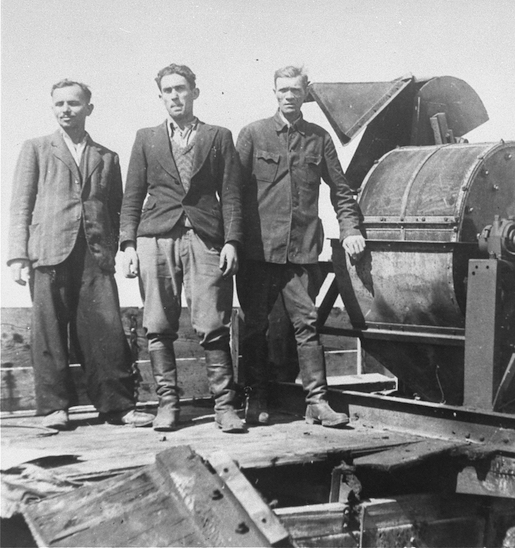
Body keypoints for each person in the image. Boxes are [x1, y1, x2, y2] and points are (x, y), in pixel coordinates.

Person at [6, 79, 154, 430]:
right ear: (52, 107)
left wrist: (120, 248)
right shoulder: (36, 148)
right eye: (59, 104)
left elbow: (118, 209)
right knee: (49, 331)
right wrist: (17, 255)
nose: (66, 110)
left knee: (105, 329)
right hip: (48, 253)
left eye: (73, 103)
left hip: (94, 253)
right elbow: (21, 205)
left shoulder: (107, 157)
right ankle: (55, 408)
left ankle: (116, 405)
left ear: (89, 108)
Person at [236, 65, 366, 428]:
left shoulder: (319, 139)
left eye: (295, 90)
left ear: (306, 93)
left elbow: (341, 190)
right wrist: (232, 243)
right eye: (282, 90)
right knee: (254, 327)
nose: (289, 96)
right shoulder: (253, 135)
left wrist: (351, 228)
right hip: (257, 254)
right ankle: (255, 398)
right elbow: (232, 193)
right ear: (274, 92)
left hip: (301, 252)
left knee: (307, 324)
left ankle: (318, 402)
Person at [120, 64, 245, 433]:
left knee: (212, 323)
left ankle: (225, 407)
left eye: (181, 89)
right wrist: (128, 244)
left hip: (205, 238)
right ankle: (167, 405)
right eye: (168, 91)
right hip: (155, 238)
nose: (175, 96)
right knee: (158, 323)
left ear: (195, 91)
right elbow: (132, 197)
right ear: (160, 96)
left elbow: (232, 196)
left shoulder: (218, 136)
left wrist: (232, 241)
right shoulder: (147, 138)